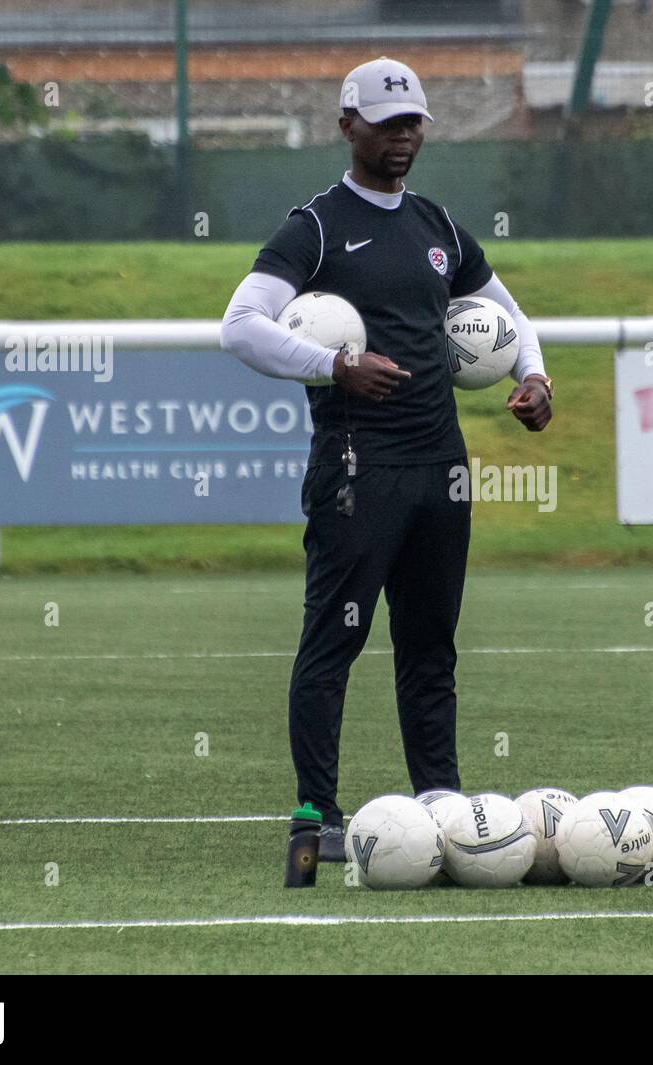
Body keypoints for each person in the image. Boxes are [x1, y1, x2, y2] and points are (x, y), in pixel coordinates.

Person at [220, 56, 553, 863]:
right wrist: (334, 366)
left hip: (440, 464)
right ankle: (315, 814)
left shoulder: (437, 227)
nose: (403, 137)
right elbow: (240, 325)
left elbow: (513, 320)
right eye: (386, 122)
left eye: (413, 124)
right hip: (355, 467)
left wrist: (534, 376)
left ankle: (439, 799)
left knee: (431, 640)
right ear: (348, 126)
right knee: (334, 638)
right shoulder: (318, 226)